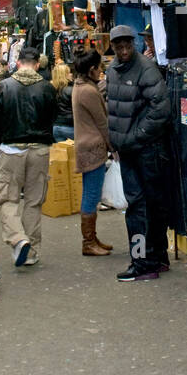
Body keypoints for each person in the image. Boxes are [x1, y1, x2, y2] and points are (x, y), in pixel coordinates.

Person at [104, 24, 171, 281]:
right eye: (118, 46)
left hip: (147, 149)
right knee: (145, 205)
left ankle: (144, 262)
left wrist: (134, 137)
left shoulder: (146, 68)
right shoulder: (112, 70)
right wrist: (117, 141)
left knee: (144, 206)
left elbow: (160, 111)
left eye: (127, 45)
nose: (123, 50)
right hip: (130, 150)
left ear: (133, 44)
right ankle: (156, 258)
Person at [0, 47, 57, 267]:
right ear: (37, 64)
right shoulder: (48, 89)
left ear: (18, 63)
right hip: (40, 149)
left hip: (12, 148)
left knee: (6, 198)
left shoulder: (3, 86)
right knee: (34, 200)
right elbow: (53, 118)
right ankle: (31, 250)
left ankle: (18, 239)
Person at [71, 49, 113, 257]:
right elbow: (102, 122)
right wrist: (113, 147)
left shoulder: (81, 87)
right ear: (92, 69)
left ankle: (92, 238)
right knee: (91, 194)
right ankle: (88, 242)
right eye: (99, 67)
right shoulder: (87, 91)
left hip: (87, 145)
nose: (101, 70)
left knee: (92, 193)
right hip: (92, 147)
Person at [51, 62, 75, 142]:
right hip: (70, 126)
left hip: (55, 126)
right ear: (64, 75)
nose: (71, 74)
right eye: (69, 73)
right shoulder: (71, 90)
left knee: (60, 153)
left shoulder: (50, 89)